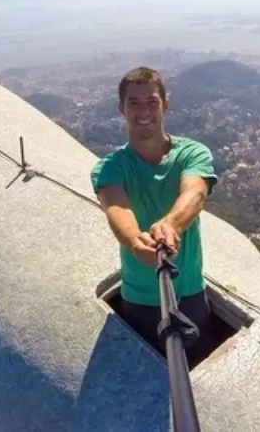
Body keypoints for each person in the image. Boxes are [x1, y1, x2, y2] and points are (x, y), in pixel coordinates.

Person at [91, 66, 219, 364]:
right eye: (133, 102)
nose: (143, 111)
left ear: (166, 104)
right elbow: (116, 207)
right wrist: (136, 241)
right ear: (121, 109)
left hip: (189, 290)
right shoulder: (110, 167)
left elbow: (195, 192)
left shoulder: (192, 153)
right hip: (139, 298)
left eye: (152, 101)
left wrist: (171, 223)